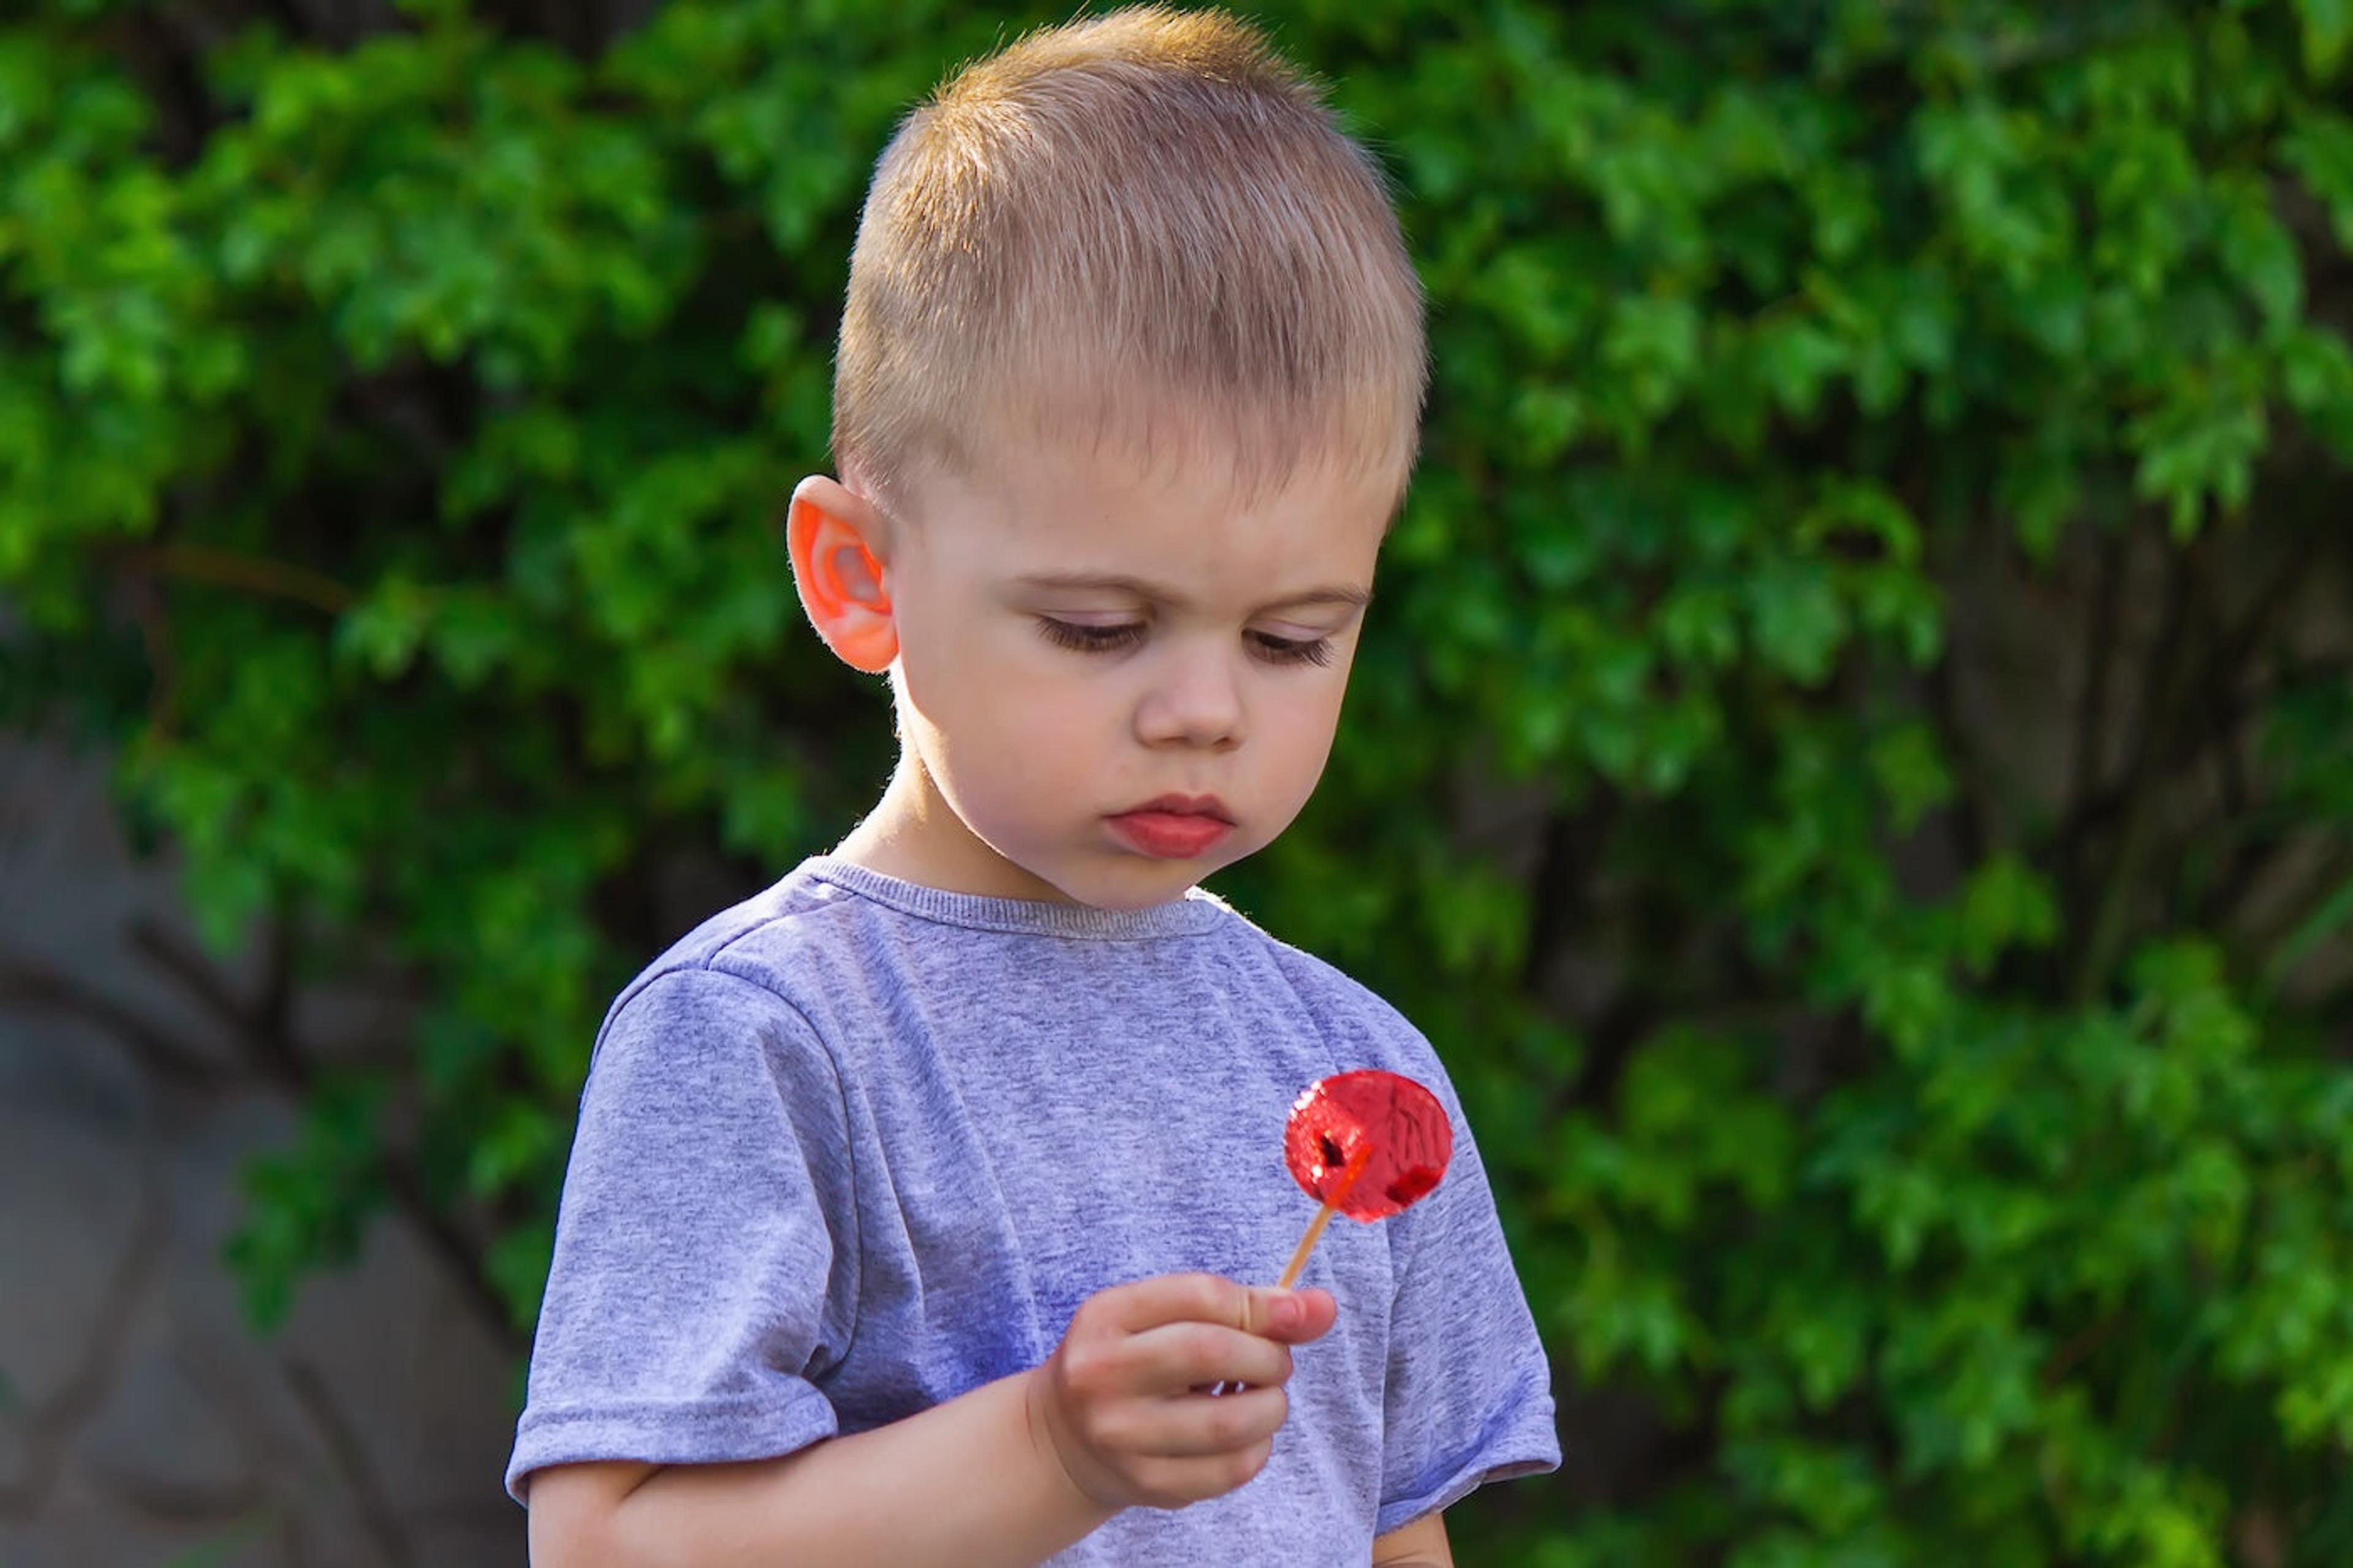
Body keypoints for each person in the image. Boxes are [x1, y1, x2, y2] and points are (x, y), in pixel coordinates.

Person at [507, 7, 1558, 1564]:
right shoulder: (768, 1035)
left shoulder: (1355, 1068)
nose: (1202, 711)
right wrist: (1050, 1445)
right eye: (1098, 627)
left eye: (1291, 636)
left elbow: (1390, 1532)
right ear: (862, 577)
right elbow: (606, 1547)